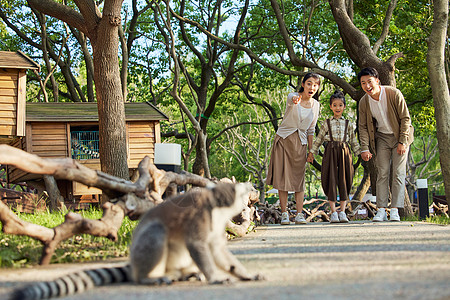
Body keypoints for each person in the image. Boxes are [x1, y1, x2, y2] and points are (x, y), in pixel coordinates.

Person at [357, 67, 414, 222]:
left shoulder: (393, 93)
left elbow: (405, 118)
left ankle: (395, 209)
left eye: (369, 81)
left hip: (399, 136)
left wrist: (402, 141)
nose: (367, 86)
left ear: (377, 80)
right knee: (382, 172)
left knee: (398, 173)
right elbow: (362, 126)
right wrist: (364, 147)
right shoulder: (364, 102)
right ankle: (381, 210)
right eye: (363, 83)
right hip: (381, 137)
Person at [266, 72, 321, 225]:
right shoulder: (293, 97)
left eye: (315, 85)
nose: (312, 87)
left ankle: (299, 214)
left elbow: (311, 130)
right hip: (284, 139)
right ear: (303, 84)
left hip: (301, 143)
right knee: (283, 177)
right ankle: (284, 214)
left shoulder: (316, 105)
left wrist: (311, 151)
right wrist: (295, 99)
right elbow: (291, 100)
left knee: (299, 179)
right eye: (309, 83)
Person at [308, 91, 361, 223]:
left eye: (340, 105)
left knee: (344, 180)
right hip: (330, 152)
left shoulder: (349, 124)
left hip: (344, 152)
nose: (338, 108)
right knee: (330, 179)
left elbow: (354, 141)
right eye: (335, 105)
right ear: (331, 107)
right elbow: (319, 139)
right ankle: (333, 213)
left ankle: (342, 212)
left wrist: (360, 153)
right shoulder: (326, 123)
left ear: (344, 107)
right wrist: (312, 153)